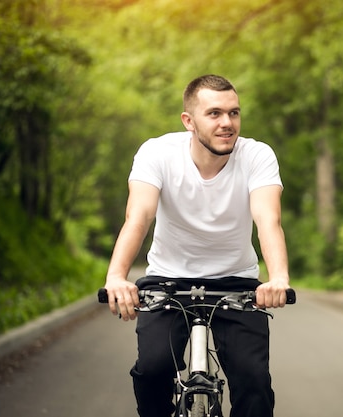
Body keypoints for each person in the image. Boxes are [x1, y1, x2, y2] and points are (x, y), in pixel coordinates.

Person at [103, 74, 291, 417]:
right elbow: (139, 217)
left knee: (254, 384)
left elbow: (268, 220)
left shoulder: (257, 155)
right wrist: (116, 276)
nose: (227, 123)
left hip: (236, 283)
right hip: (167, 281)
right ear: (189, 121)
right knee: (152, 371)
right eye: (215, 114)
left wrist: (277, 277)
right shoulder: (157, 152)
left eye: (234, 113)